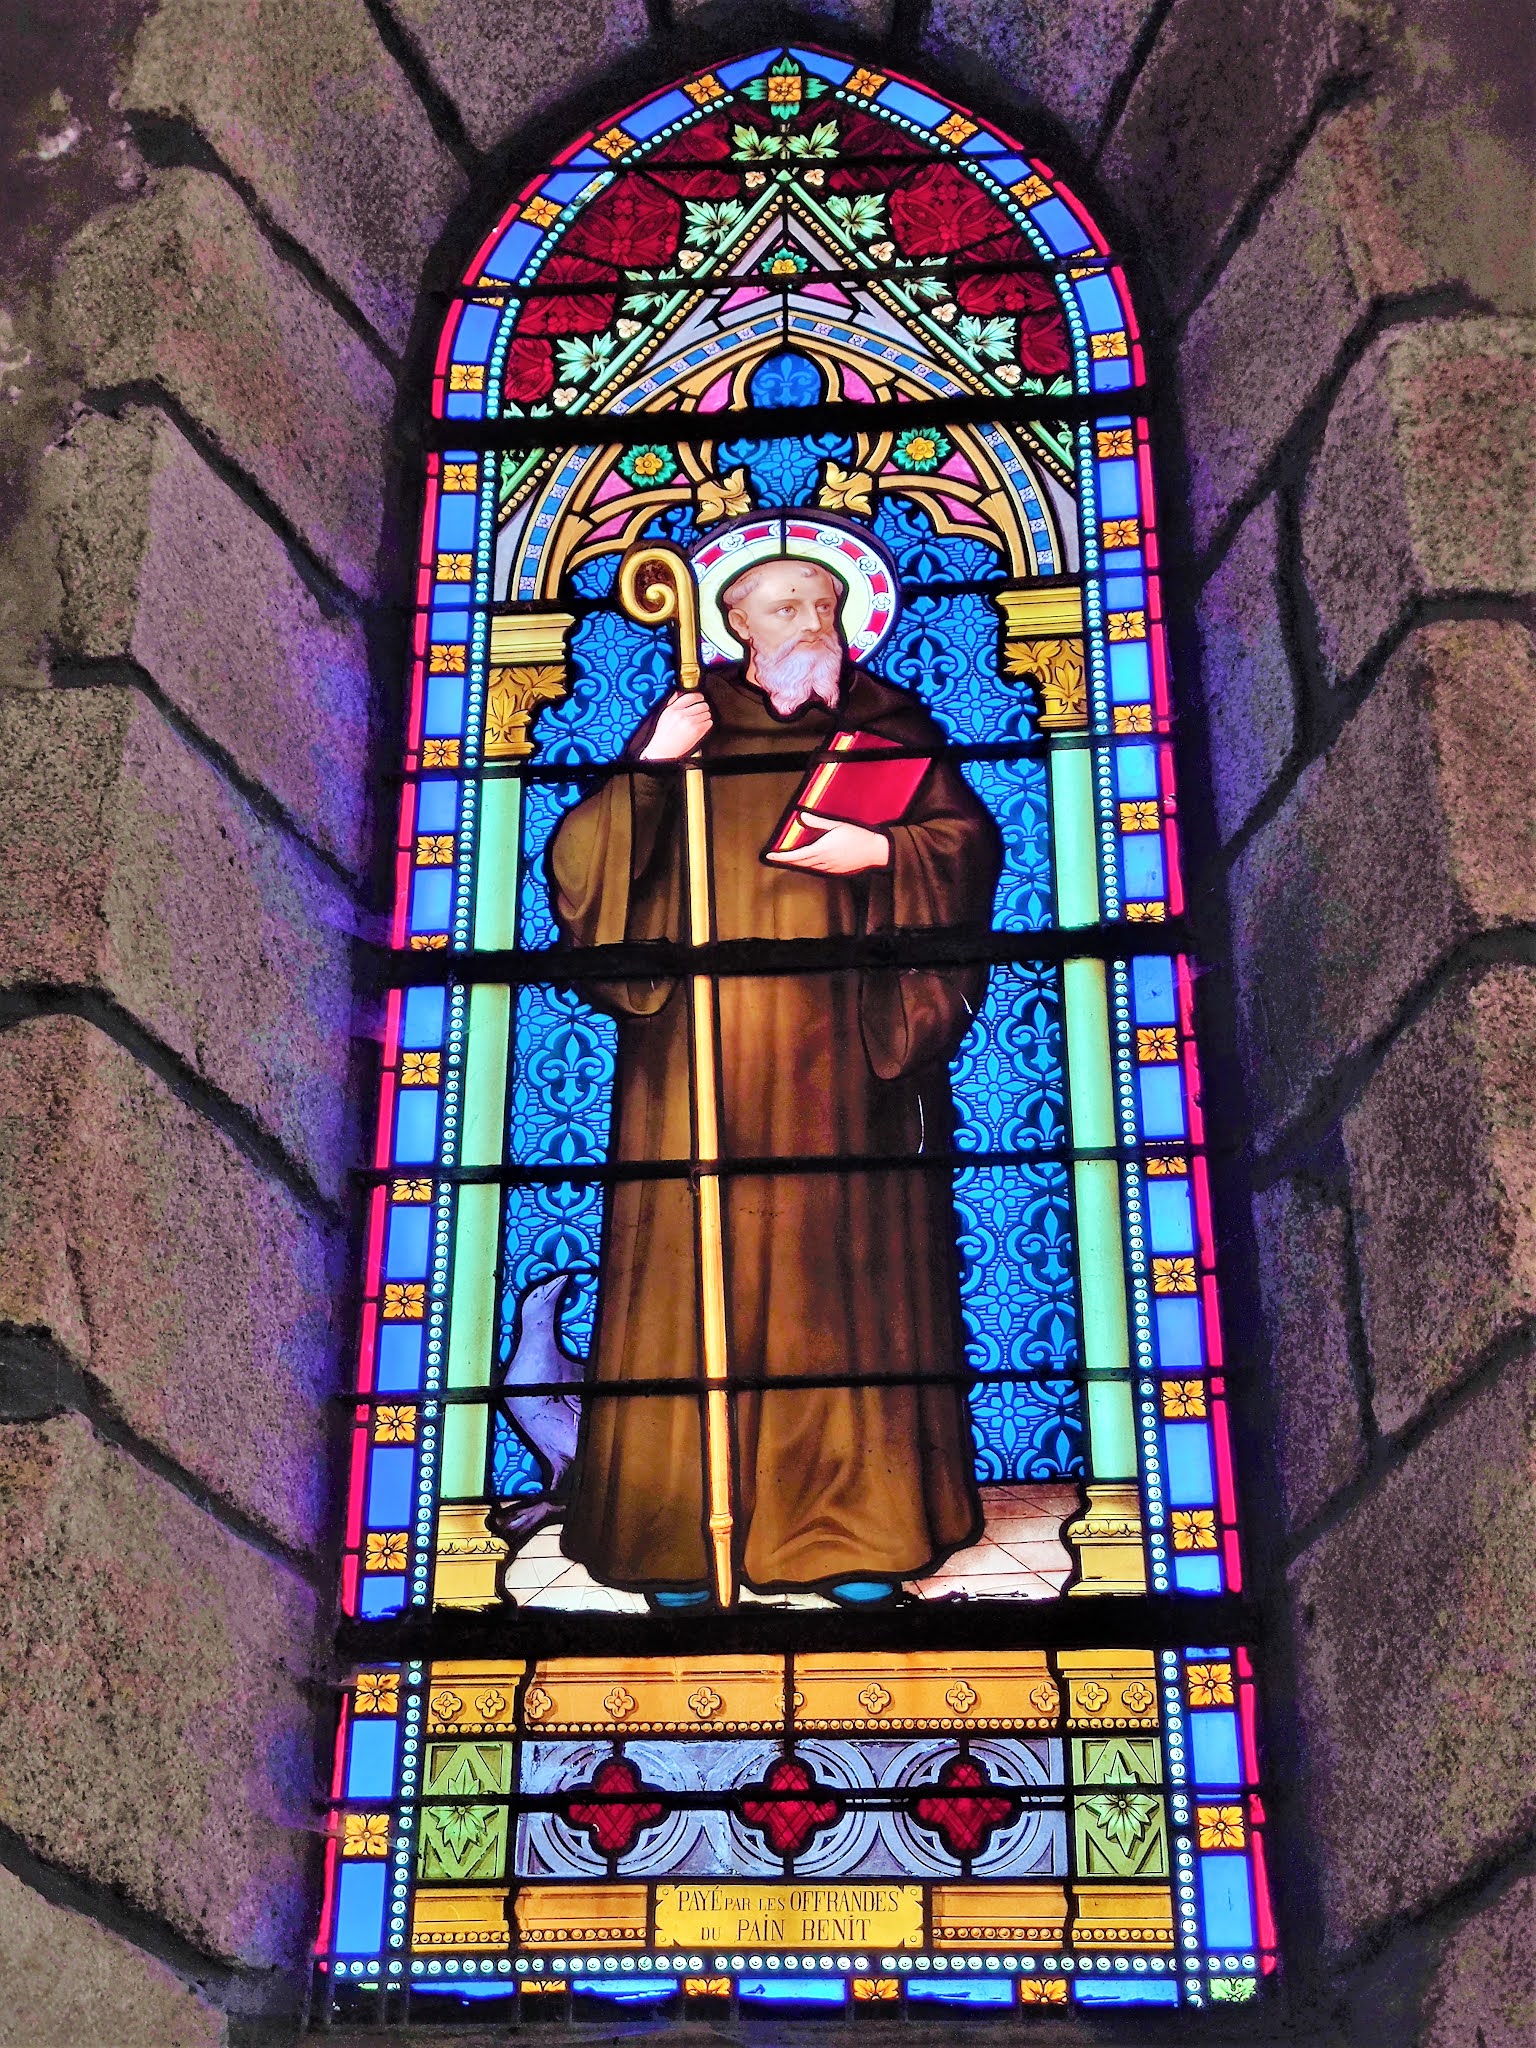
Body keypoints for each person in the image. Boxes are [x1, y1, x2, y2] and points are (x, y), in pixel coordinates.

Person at [547, 551, 1002, 1604]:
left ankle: (851, 1532)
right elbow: (581, 871)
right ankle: (674, 1533)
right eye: (787, 604)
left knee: (838, 1283)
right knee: (690, 1270)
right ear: (737, 622)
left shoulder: (889, 726)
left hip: (843, 1060)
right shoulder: (692, 722)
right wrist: (650, 768)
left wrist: (880, 855)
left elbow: (966, 843)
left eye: (827, 603)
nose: (813, 620)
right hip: (694, 1061)